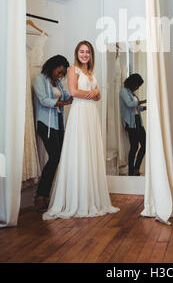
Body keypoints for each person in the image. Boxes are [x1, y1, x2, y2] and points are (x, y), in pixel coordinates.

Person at [43, 40, 119, 220]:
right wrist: (92, 94)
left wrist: (95, 93)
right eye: (81, 51)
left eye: (87, 52)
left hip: (91, 114)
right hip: (80, 112)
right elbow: (73, 91)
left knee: (90, 152)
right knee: (79, 151)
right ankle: (77, 199)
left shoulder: (90, 72)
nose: (84, 54)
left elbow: (98, 96)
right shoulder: (72, 70)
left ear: (91, 55)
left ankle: (91, 197)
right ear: (76, 53)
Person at [33, 55, 73, 212]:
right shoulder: (39, 79)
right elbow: (43, 100)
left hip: (58, 122)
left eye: (63, 73)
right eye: (59, 71)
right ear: (52, 66)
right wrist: (64, 103)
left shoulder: (57, 83)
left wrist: (78, 93)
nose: (60, 75)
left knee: (60, 157)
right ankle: (40, 195)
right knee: (55, 156)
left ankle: (50, 194)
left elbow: (66, 96)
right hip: (45, 124)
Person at [119, 73, 147, 176]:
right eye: (138, 85)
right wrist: (143, 101)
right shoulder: (123, 91)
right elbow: (129, 104)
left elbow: (136, 108)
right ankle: (131, 171)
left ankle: (136, 168)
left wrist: (145, 107)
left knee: (144, 146)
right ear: (133, 83)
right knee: (134, 147)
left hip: (138, 121)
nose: (138, 88)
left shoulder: (132, 93)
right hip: (131, 123)